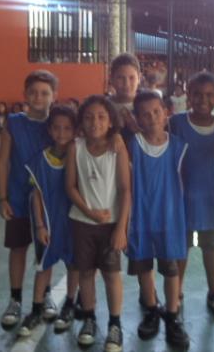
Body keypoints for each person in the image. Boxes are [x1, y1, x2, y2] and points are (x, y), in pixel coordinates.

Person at [65, 95, 131, 352]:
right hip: (82, 223)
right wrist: (89, 212)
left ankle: (115, 325)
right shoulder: (75, 147)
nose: (95, 122)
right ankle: (89, 319)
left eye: (102, 117)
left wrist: (121, 227)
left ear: (111, 121)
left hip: (111, 225)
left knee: (112, 275)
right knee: (86, 274)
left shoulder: (118, 147)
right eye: (89, 117)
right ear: (81, 121)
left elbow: (126, 190)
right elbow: (70, 187)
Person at [0, 70, 59, 332]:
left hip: (48, 201)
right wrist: (2, 198)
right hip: (19, 197)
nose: (38, 97)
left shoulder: (57, 124)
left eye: (45, 93)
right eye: (33, 92)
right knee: (18, 248)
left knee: (46, 252)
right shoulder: (14, 122)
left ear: (54, 96)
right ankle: (15, 299)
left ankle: (44, 297)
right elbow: (2, 161)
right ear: (25, 94)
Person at [127, 91, 190, 349]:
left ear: (166, 112)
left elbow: (186, 183)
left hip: (169, 218)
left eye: (156, 111)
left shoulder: (178, 146)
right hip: (140, 217)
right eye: (145, 114)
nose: (152, 117)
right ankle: (152, 309)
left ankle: (173, 315)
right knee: (144, 267)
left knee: (170, 268)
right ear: (137, 119)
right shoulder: (131, 145)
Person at [169, 71, 214, 323]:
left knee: (211, 248)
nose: (203, 100)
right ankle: (177, 293)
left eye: (209, 95)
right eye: (197, 94)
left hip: (213, 198)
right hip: (182, 200)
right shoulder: (176, 123)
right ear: (188, 95)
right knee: (180, 250)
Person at [21, 105, 80, 336]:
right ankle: (36, 309)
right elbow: (36, 194)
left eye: (67, 128)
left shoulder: (80, 156)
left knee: (73, 264)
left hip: (74, 222)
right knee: (43, 265)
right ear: (49, 129)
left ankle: (70, 304)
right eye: (57, 127)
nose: (62, 132)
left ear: (75, 130)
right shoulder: (41, 160)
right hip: (48, 223)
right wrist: (39, 225)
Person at [108, 53, 142, 146]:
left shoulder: (147, 106)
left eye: (131, 78)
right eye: (120, 78)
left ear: (139, 78)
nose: (126, 84)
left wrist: (136, 129)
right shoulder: (104, 106)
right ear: (111, 78)